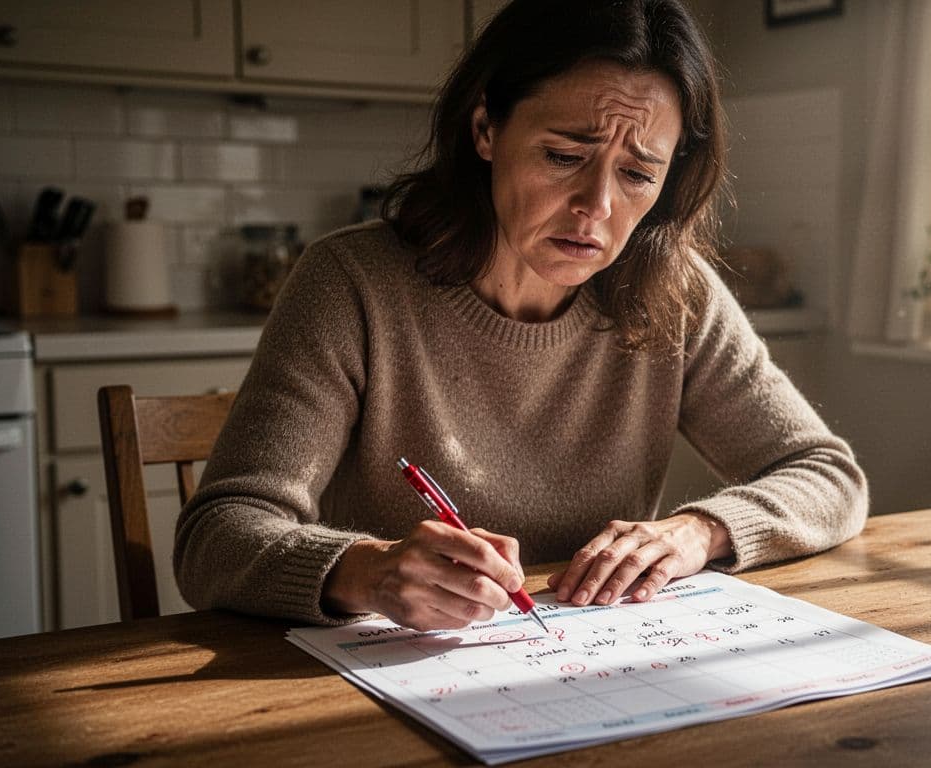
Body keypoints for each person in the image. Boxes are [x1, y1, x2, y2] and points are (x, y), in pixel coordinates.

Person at [175, 0, 868, 631]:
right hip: (382, 682)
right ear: (485, 128)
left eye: (637, 175)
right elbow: (218, 537)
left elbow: (829, 476)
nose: (596, 208)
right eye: (564, 155)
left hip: (595, 669)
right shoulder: (351, 284)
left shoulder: (674, 293)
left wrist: (696, 531)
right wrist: (369, 571)